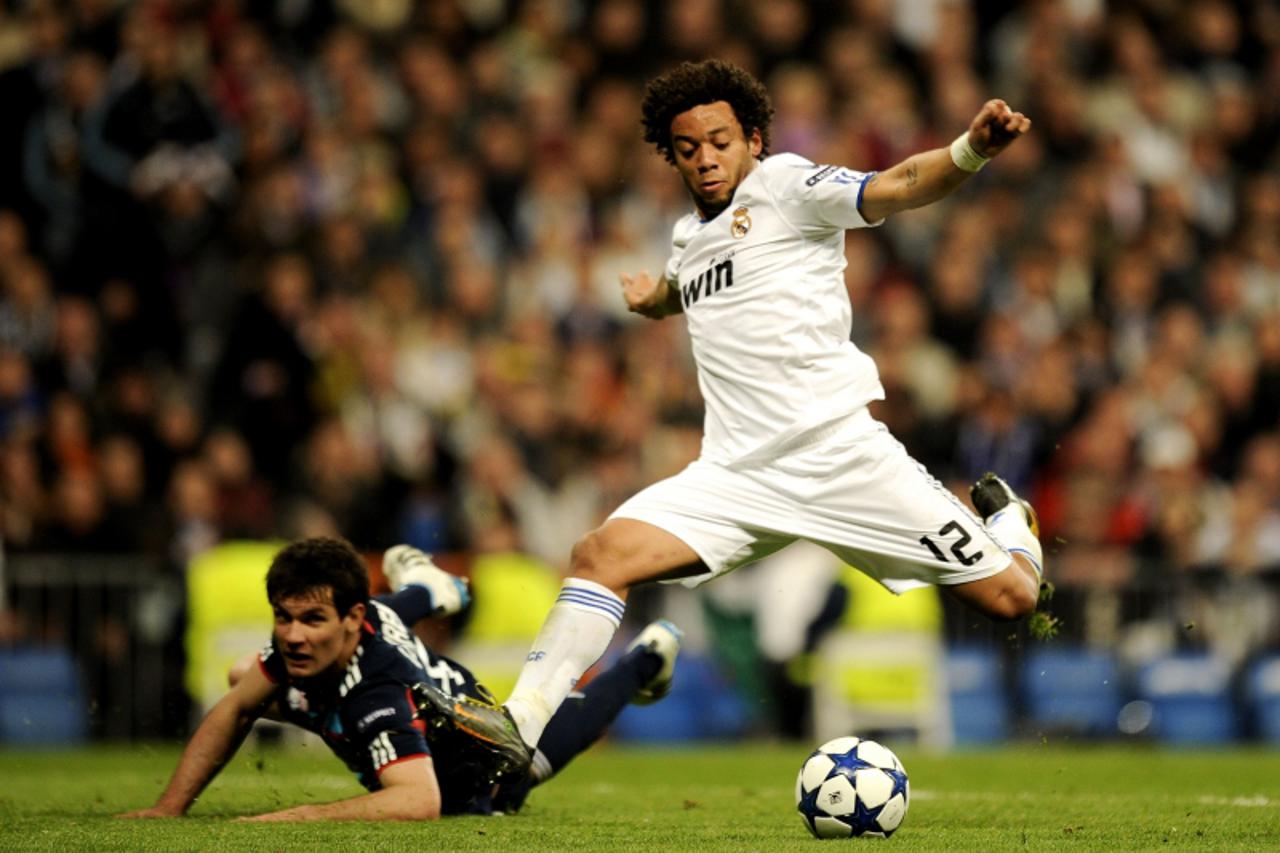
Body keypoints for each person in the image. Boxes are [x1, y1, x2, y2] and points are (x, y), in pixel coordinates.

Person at [425, 58, 1044, 756]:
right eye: (688, 149)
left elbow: (896, 185)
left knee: (1014, 597)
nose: (706, 159)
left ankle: (1012, 522)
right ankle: (517, 724)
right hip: (736, 475)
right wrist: (648, 299)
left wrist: (973, 150)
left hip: (839, 454)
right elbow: (680, 286)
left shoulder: (786, 187)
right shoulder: (689, 239)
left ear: (753, 138)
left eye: (720, 141)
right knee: (599, 554)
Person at [119, 537, 682, 821]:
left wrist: (298, 818)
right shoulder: (342, 628)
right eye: (284, 617)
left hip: (486, 765)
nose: (293, 635)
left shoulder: (377, 691)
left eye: (312, 619)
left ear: (350, 620)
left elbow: (418, 800)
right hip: (392, 660)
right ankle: (434, 589)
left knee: (558, 738)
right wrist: (169, 808)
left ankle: (647, 657)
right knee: (245, 676)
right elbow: (235, 706)